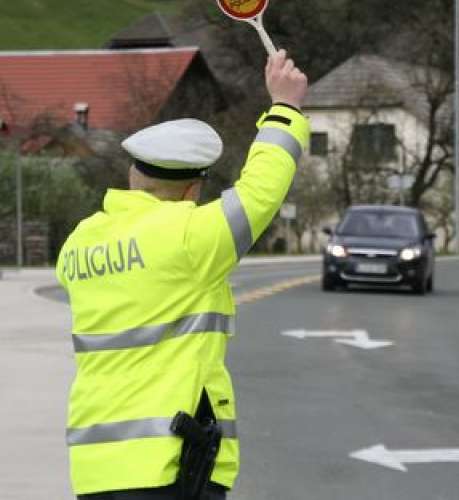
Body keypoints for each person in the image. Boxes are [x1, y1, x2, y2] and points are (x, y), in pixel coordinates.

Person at [56, 50, 309, 499]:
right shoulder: (189, 236)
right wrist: (285, 108)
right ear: (192, 189)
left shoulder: (80, 242)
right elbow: (262, 189)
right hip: (168, 465)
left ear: (134, 177)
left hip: (96, 468)